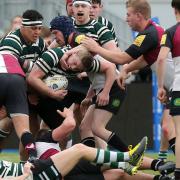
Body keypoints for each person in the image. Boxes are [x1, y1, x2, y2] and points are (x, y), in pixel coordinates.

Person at [0, 9, 46, 160]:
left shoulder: (40, 43)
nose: (37, 32)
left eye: (39, 28)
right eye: (33, 28)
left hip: (23, 87)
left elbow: (43, 68)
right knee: (11, 125)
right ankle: (30, 160)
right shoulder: (11, 40)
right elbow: (10, 67)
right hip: (18, 87)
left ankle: (25, 163)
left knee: (29, 129)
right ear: (23, 27)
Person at [0, 134, 147, 179]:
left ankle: (125, 162)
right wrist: (24, 175)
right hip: (34, 176)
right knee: (79, 150)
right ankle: (128, 157)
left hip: (35, 171)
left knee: (117, 173)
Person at [156, 0, 180, 179]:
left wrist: (160, 86)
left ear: (174, 9)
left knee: (179, 132)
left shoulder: (171, 32)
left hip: (178, 87)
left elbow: (162, 58)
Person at [0, 53, 37, 161]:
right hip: (17, 80)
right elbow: (33, 67)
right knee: (24, 130)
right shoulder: (12, 55)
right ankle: (33, 157)